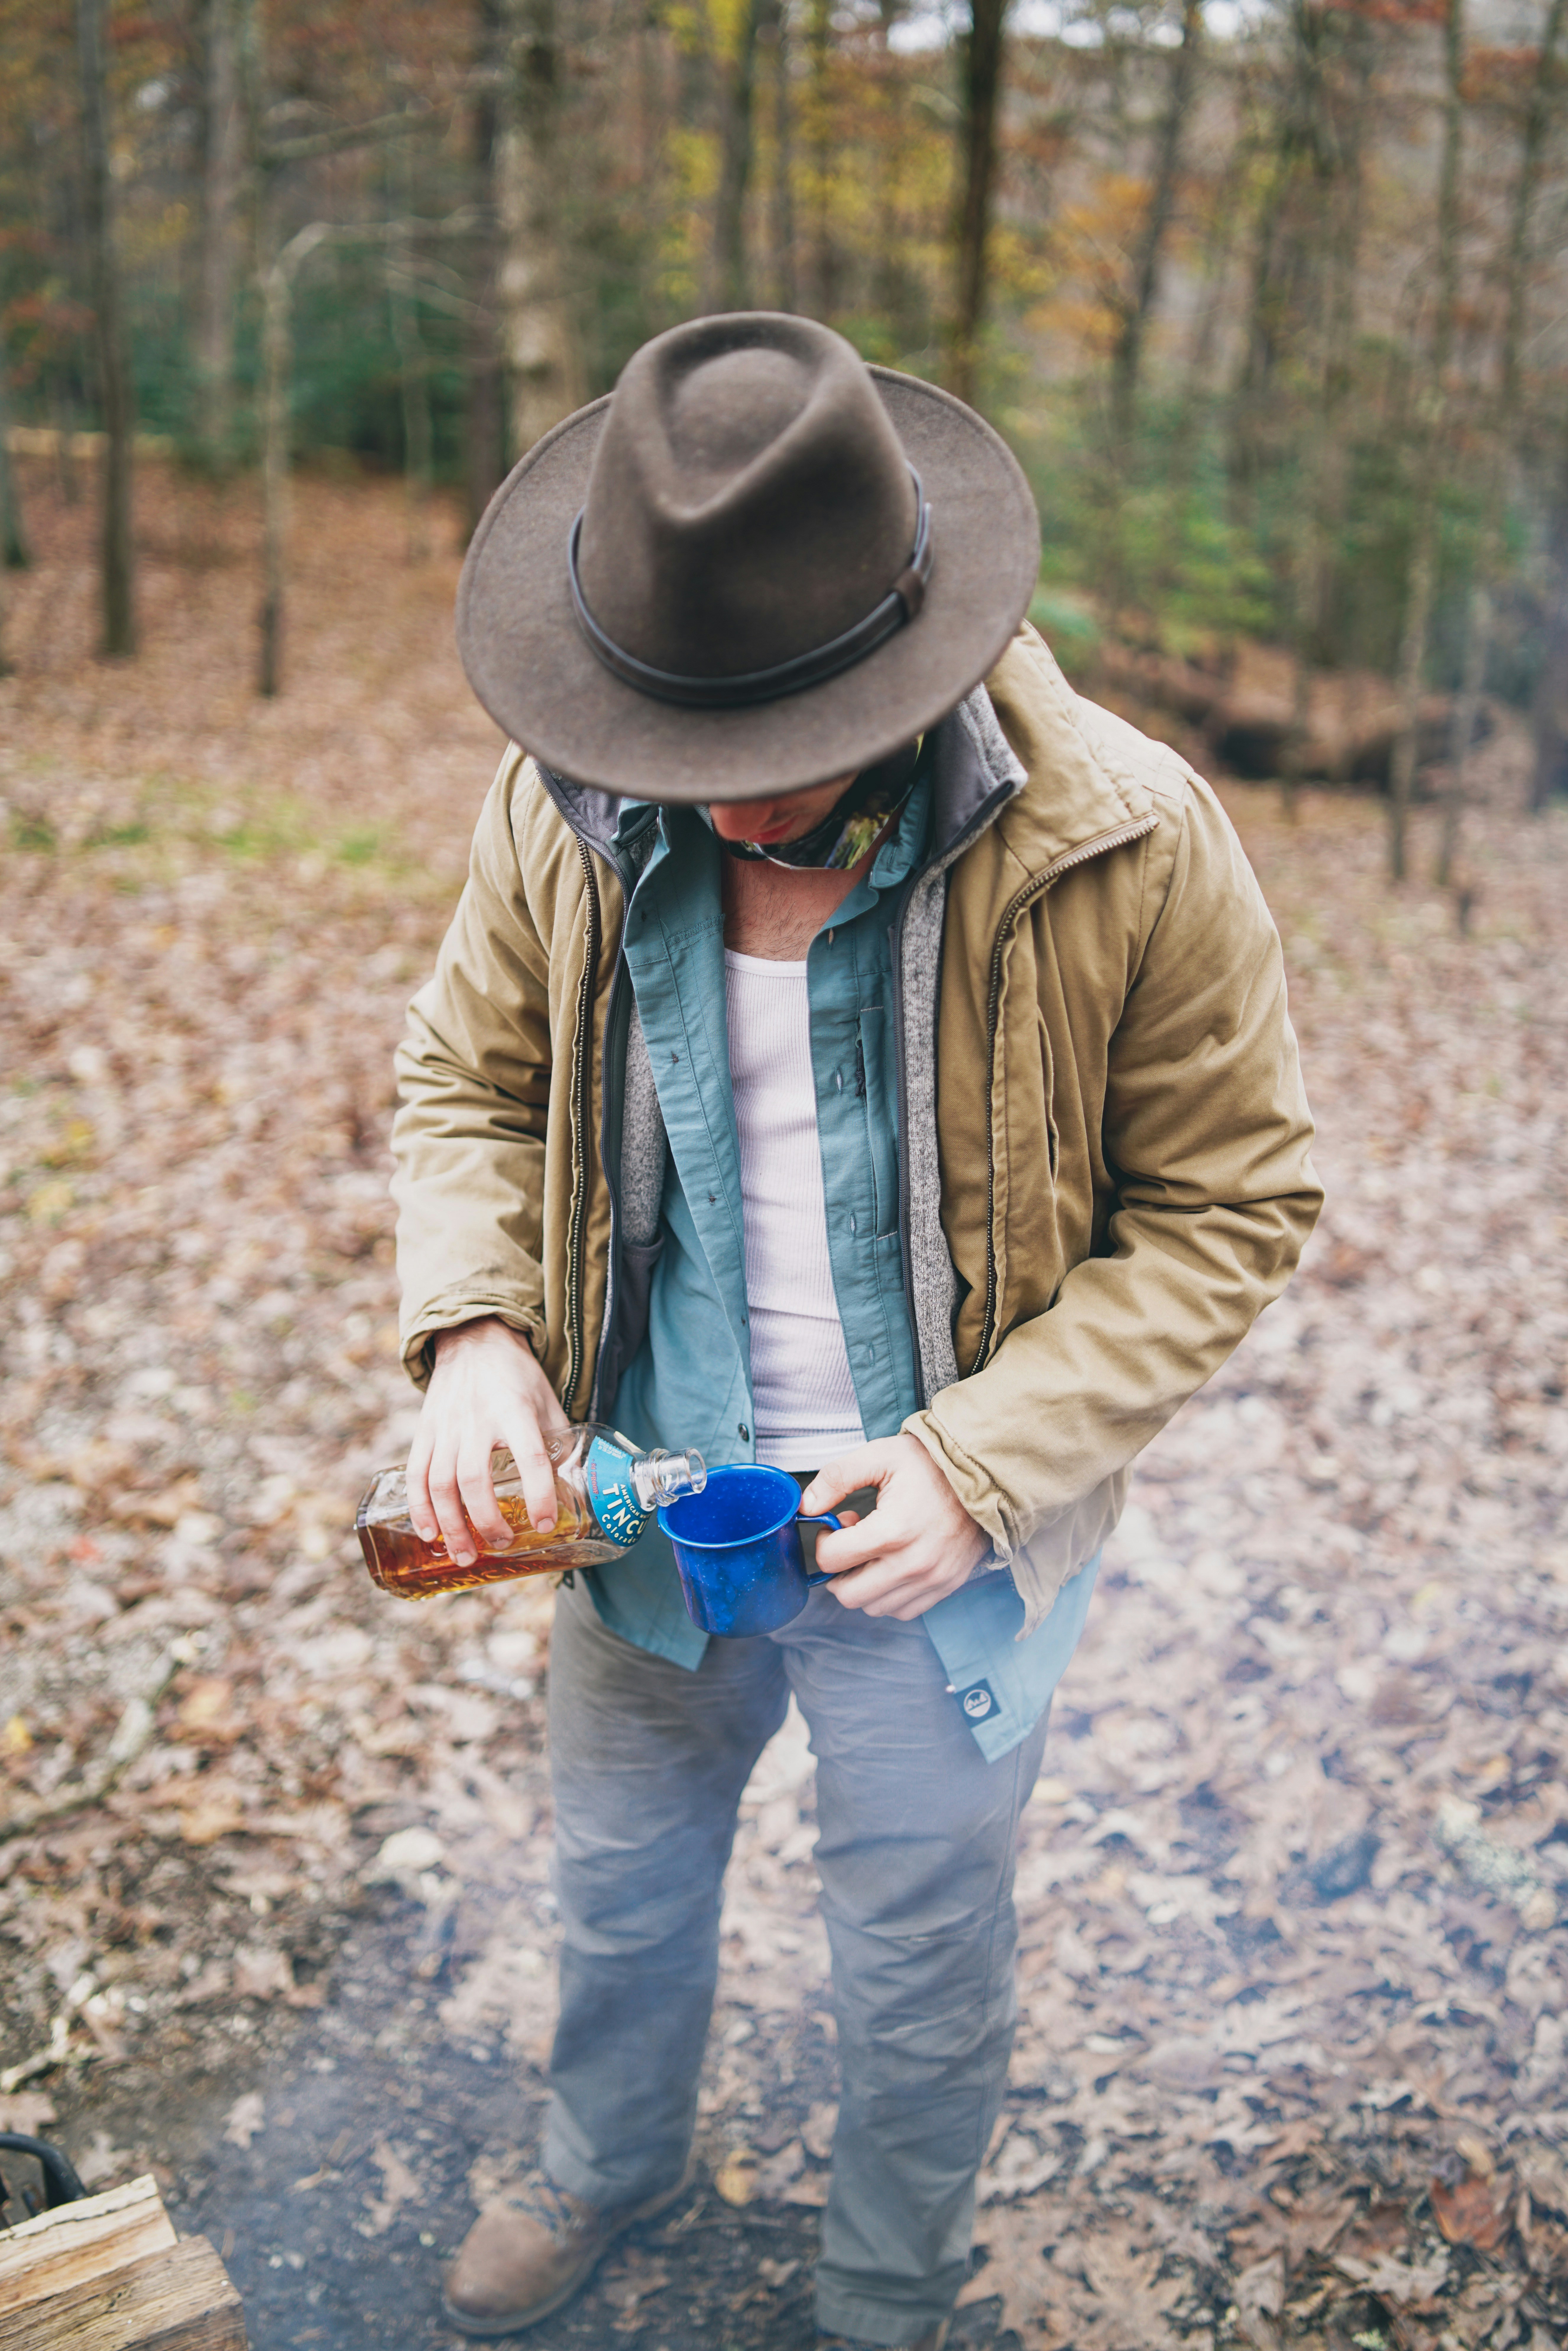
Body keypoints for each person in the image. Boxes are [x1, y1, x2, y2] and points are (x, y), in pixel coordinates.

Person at [389, 312, 1322, 2348]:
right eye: (672, 755)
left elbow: (1234, 1203)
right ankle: (603, 2166)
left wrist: (986, 1466)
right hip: (638, 1500)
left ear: (902, 669)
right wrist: (475, 1333)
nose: (706, 806)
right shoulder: (562, 800)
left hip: (937, 1541)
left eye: (758, 761)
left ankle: (883, 2294)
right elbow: (466, 1084)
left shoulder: (1130, 838)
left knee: (914, 1955)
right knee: (621, 1886)